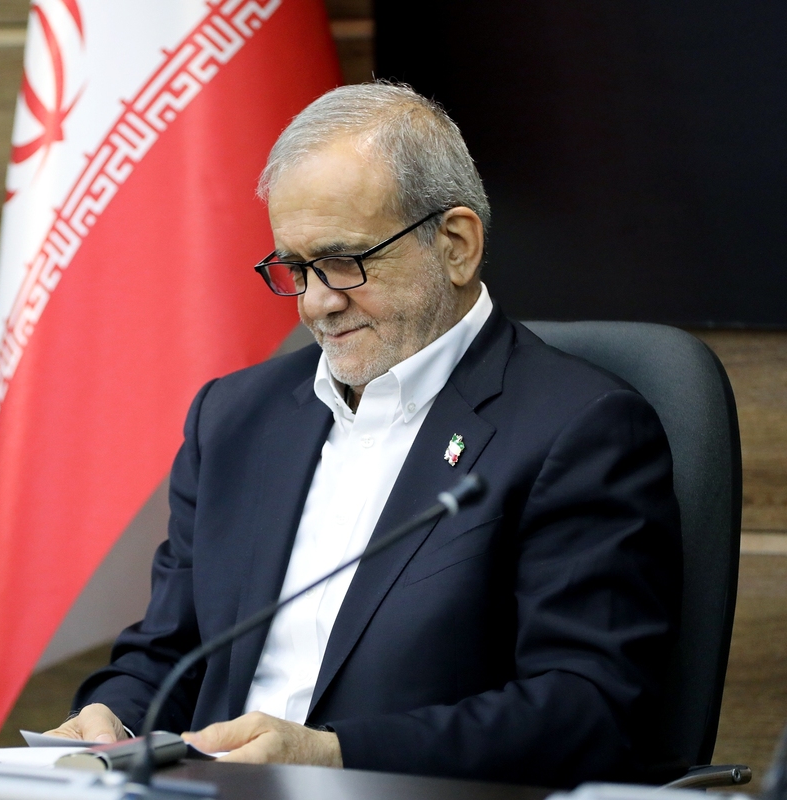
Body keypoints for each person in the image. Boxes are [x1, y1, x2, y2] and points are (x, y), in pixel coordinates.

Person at [45, 82, 681, 788]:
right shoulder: (233, 418)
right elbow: (168, 653)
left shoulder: (579, 429)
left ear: (457, 245)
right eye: (295, 268)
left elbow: (588, 711)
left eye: (344, 261)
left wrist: (336, 754)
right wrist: (115, 716)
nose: (317, 303)